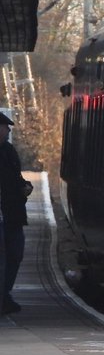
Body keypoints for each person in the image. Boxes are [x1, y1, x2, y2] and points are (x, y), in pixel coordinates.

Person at [0, 111, 31, 314]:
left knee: (15, 255)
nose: (9, 130)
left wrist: (24, 186)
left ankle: (5, 294)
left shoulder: (9, 151)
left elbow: (15, 178)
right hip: (3, 215)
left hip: (13, 215)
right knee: (4, 258)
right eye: (5, 127)